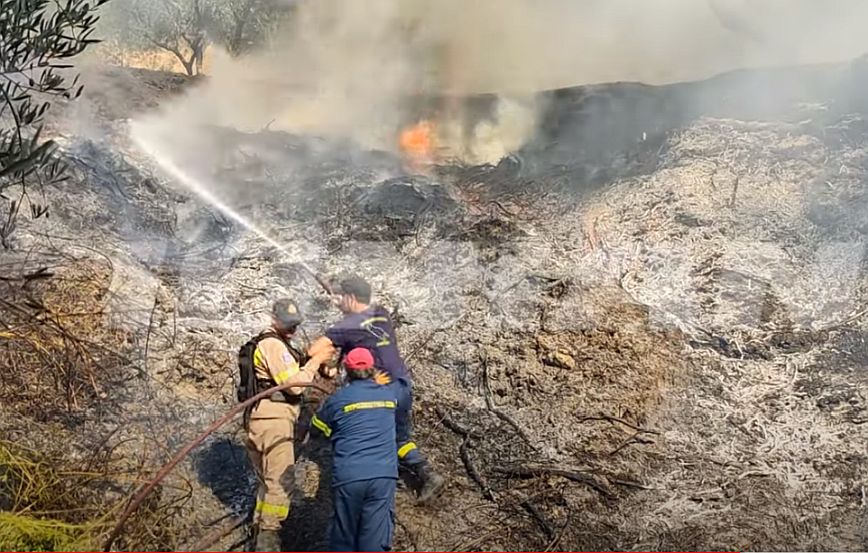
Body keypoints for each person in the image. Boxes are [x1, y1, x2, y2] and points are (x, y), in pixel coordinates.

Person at [307, 275, 446, 504]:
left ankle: (376, 487)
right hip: (401, 384)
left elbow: (314, 350)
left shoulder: (345, 327)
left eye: (341, 298)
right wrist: (336, 293)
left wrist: (324, 363)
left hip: (379, 390)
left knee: (365, 437)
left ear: (351, 298)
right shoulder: (381, 313)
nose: (338, 302)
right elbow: (360, 324)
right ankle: (427, 474)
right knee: (399, 437)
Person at [240, 299, 331, 551]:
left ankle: (259, 534)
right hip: (274, 421)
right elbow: (294, 385)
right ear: (274, 320)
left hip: (262, 420)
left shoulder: (278, 345)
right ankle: (268, 540)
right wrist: (315, 362)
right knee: (282, 481)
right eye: (288, 324)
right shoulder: (272, 344)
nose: (292, 329)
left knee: (268, 484)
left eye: (295, 325)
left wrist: (318, 362)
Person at [311, 348, 399, 552]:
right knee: (375, 538)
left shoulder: (338, 400)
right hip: (383, 476)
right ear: (372, 369)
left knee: (344, 535)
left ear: (346, 371)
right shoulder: (389, 396)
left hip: (350, 476)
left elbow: (317, 429)